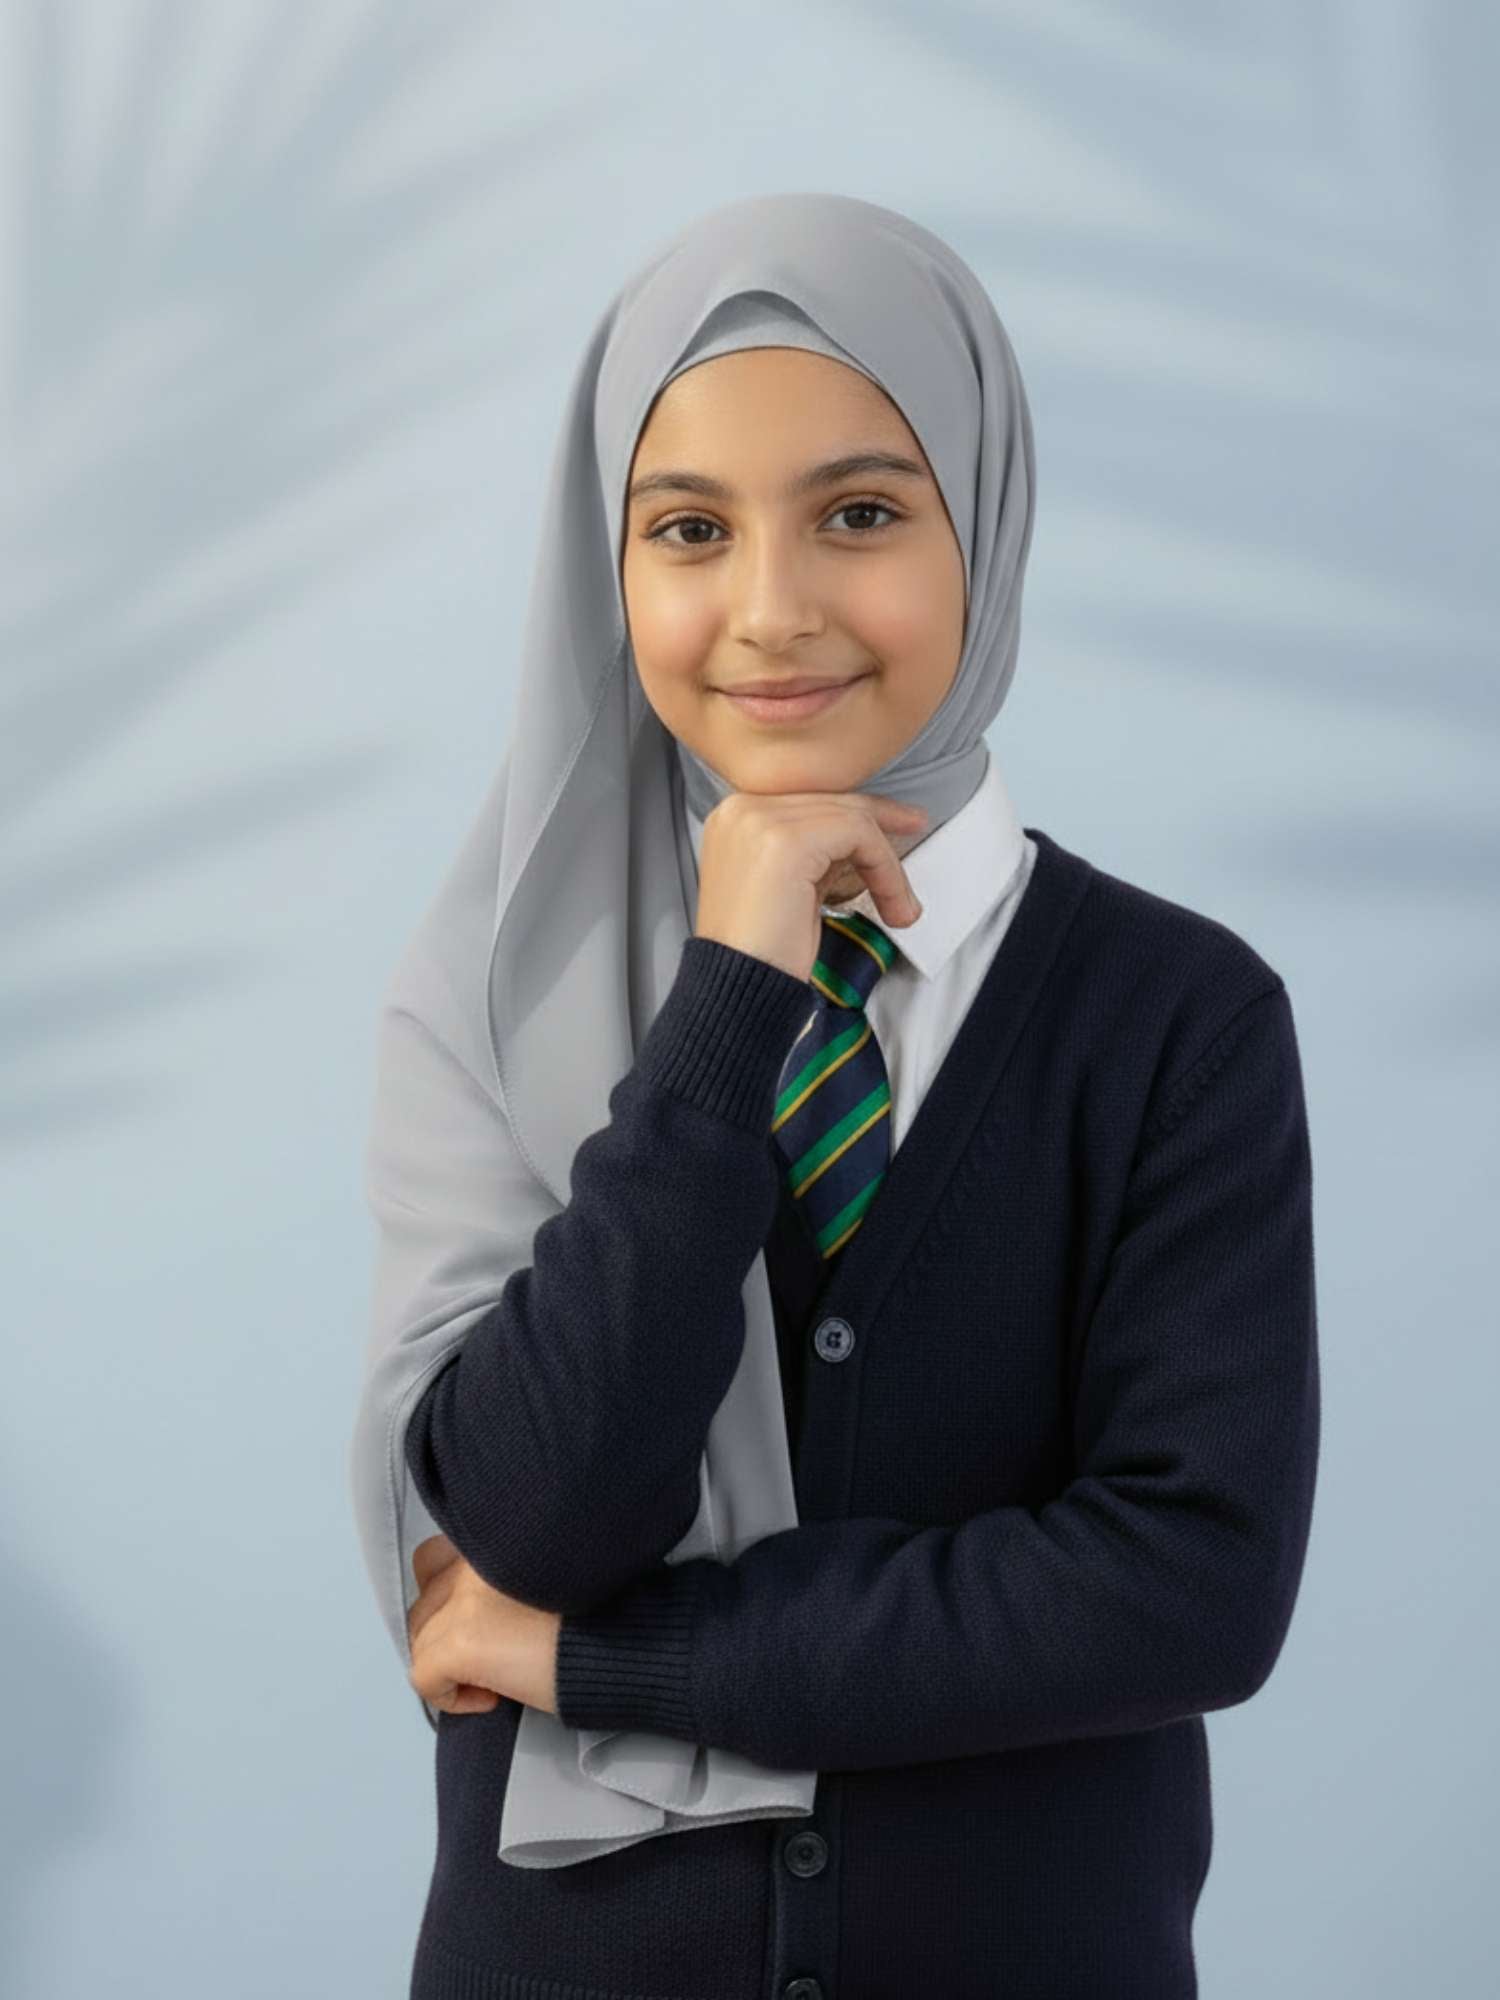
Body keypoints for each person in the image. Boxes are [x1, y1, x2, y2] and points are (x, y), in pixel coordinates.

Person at [350, 191, 1320, 2000]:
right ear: (605, 564)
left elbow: (1183, 1589)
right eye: (690, 529)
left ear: (988, 523)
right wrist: (729, 1003)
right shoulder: (490, 1001)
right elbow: (532, 1521)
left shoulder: (1179, 1019)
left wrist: (607, 1669)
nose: (772, 612)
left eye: (861, 514)